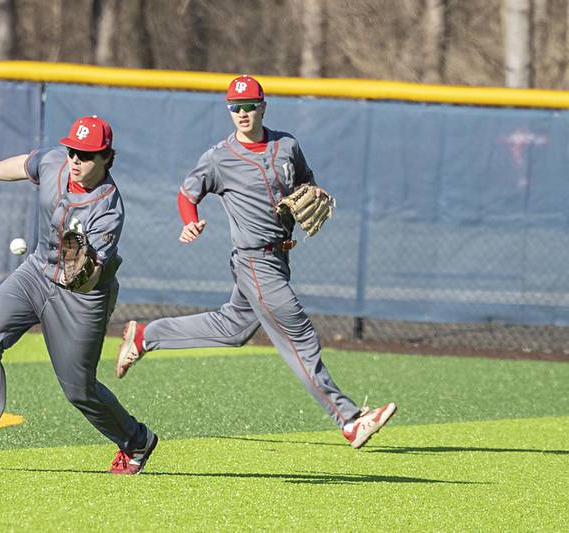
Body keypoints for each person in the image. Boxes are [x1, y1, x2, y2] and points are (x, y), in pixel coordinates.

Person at [116, 76, 396, 449]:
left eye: (249, 106)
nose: (242, 113)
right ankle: (349, 419)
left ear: (263, 106)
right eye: (235, 107)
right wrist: (190, 221)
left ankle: (145, 336)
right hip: (253, 261)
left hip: (278, 257)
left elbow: (306, 181)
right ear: (228, 110)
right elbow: (187, 194)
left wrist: (312, 190)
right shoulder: (219, 157)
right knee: (299, 335)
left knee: (233, 328)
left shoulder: (287, 145)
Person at [0, 115, 158, 475]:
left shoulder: (108, 211)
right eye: (73, 151)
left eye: (86, 154)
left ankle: (136, 440)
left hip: (82, 297)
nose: (76, 160)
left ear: (106, 158)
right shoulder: (55, 162)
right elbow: (24, 164)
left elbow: (87, 278)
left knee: (78, 390)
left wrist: (80, 268)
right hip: (36, 273)